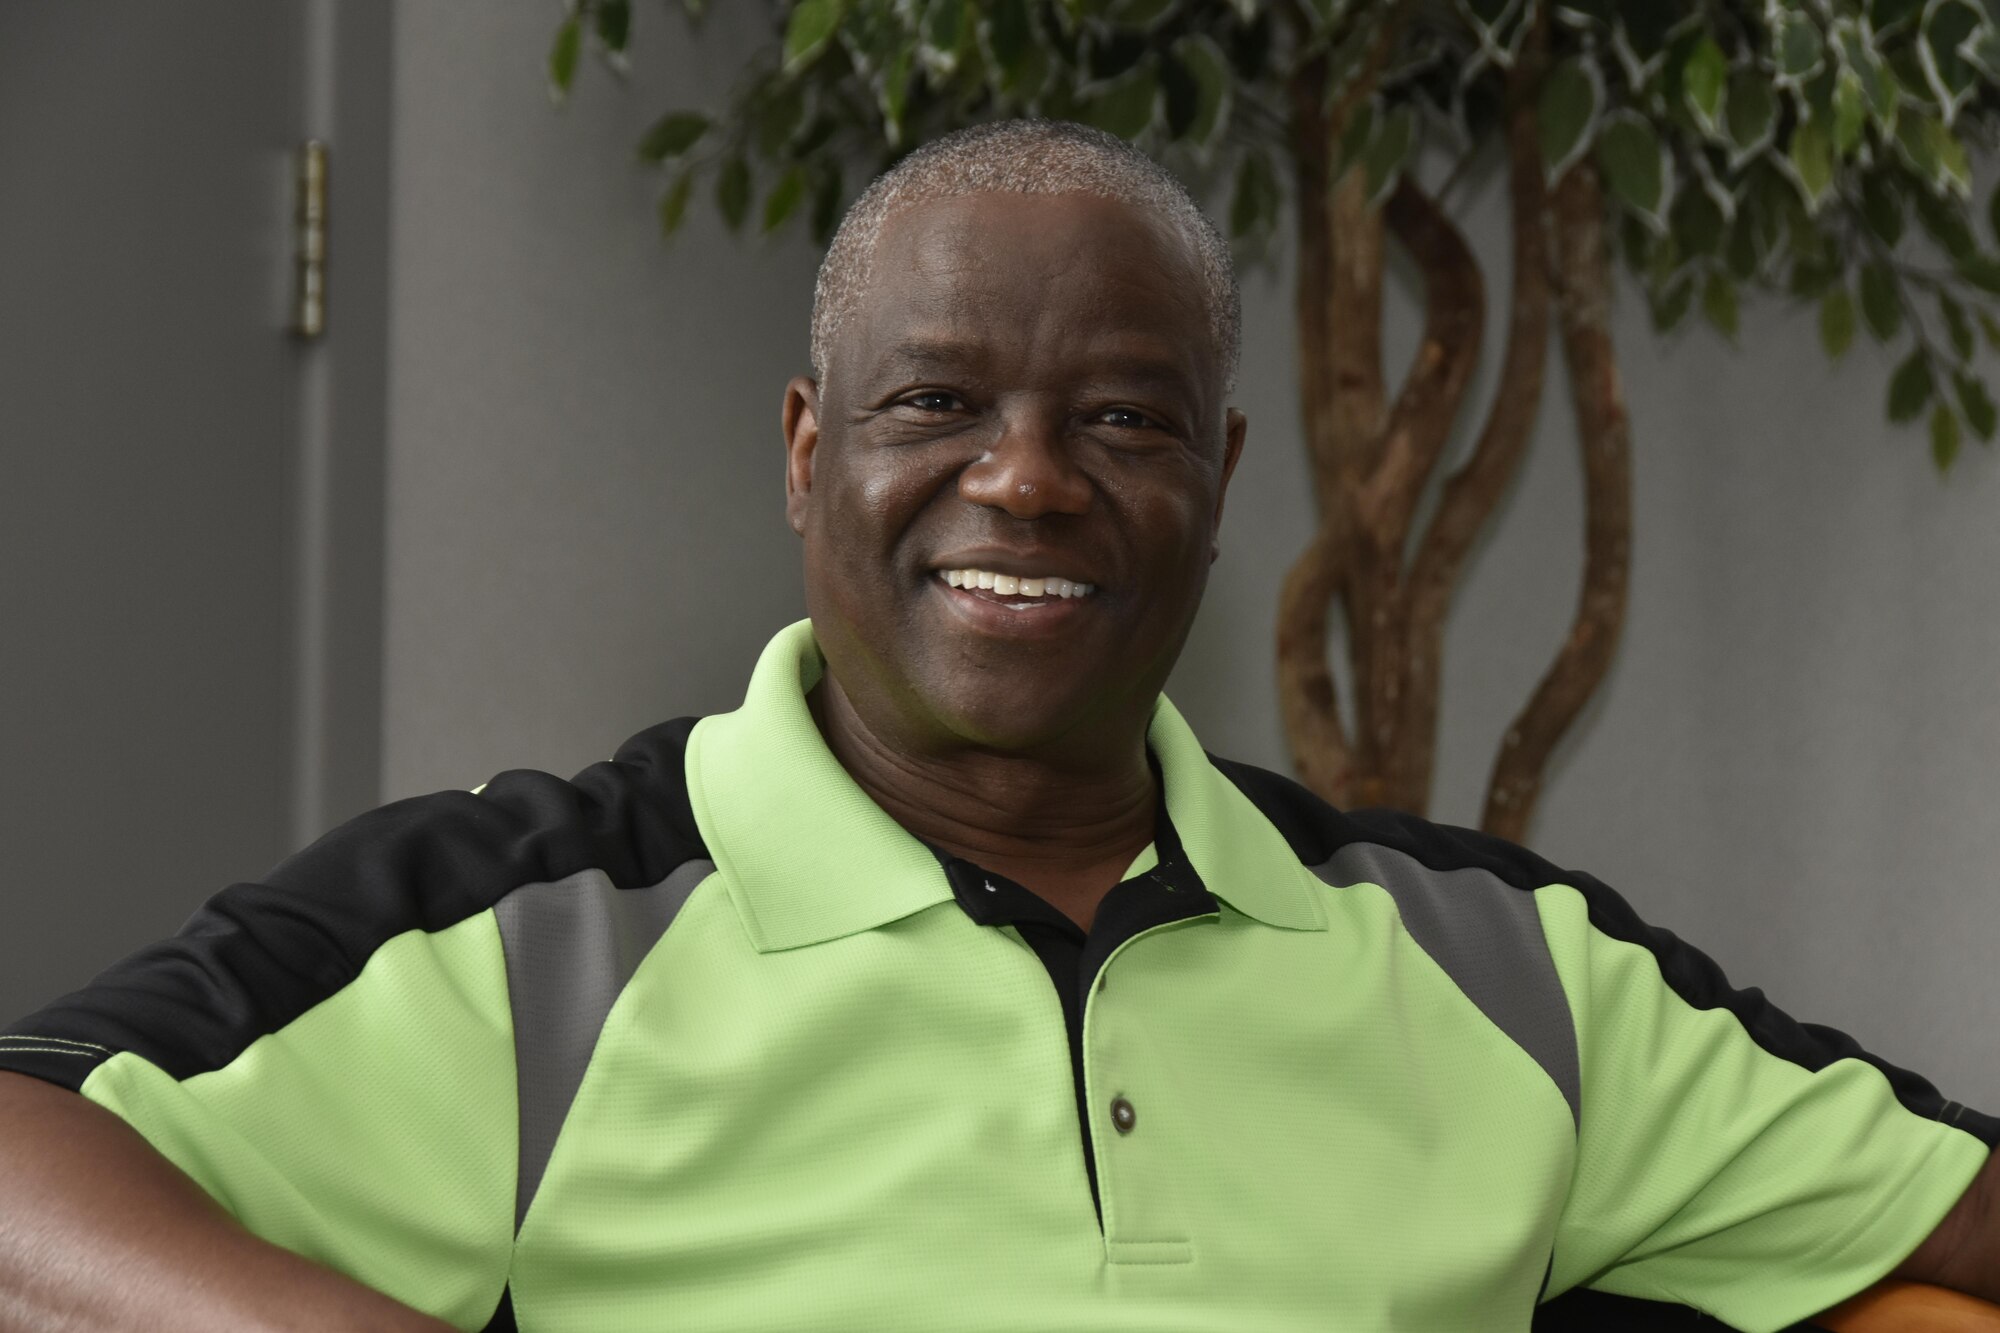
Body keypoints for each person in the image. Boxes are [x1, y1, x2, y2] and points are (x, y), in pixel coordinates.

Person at [0, 118, 1993, 1333]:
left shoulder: (1495, 967)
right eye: (934, 403)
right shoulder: (537, 935)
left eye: (1118, 419)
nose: (1026, 482)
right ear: (806, 456)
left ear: (1216, 482)